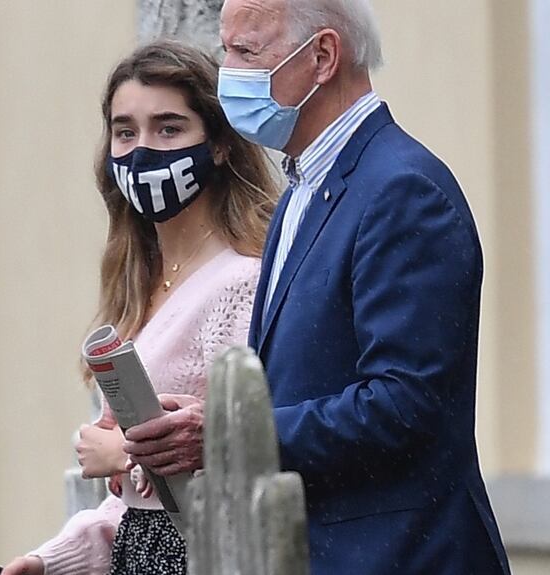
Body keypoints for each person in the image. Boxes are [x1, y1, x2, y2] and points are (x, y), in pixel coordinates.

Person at [122, 1, 512, 573]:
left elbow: (405, 406)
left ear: (323, 56)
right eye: (227, 49)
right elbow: (303, 385)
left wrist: (227, 431)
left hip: (399, 556)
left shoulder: (402, 190)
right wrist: (211, 416)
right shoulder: (302, 189)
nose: (227, 70)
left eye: (246, 51)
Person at [2, 40, 278, 575]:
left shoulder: (242, 283)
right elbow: (135, 511)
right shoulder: (139, 285)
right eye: (125, 132)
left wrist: (124, 458)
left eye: (169, 128)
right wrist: (47, 561)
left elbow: (244, 462)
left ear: (219, 144)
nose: (143, 150)